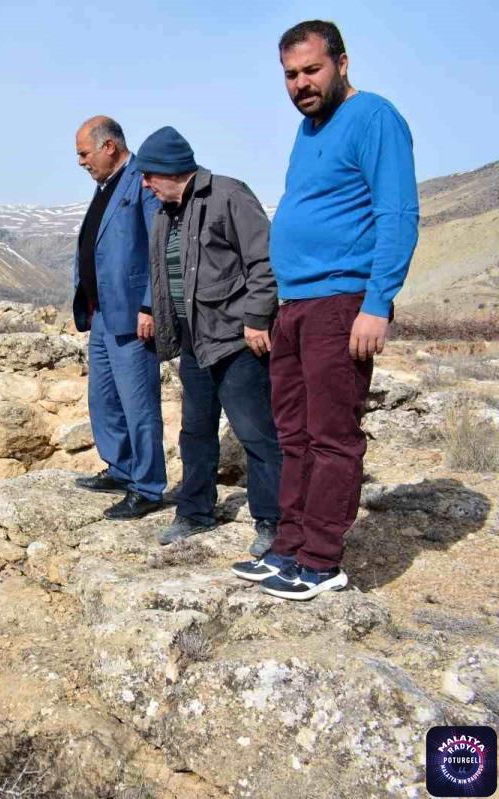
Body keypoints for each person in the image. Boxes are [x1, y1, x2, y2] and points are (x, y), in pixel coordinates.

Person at [232, 20, 419, 600]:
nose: (301, 84)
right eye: (290, 75)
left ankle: (321, 561)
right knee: (294, 433)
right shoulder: (309, 130)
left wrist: (377, 303)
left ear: (342, 62)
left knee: (333, 435)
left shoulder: (374, 118)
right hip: (295, 306)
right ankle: (288, 546)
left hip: (341, 303)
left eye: (312, 69)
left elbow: (397, 213)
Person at [136, 127, 282, 556]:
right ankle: (194, 512)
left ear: (169, 169)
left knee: (256, 433)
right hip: (194, 342)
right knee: (195, 432)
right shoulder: (165, 214)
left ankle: (272, 520)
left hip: (236, 341)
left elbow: (265, 260)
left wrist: (257, 318)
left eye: (149, 175)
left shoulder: (229, 195)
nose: (145, 184)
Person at [71, 116, 166, 519]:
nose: (81, 162)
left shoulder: (142, 181)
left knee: (138, 404)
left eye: (84, 153)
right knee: (104, 399)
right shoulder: (106, 186)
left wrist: (150, 305)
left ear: (109, 146)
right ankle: (121, 467)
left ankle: (147, 487)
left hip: (132, 314)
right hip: (102, 315)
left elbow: (158, 248)